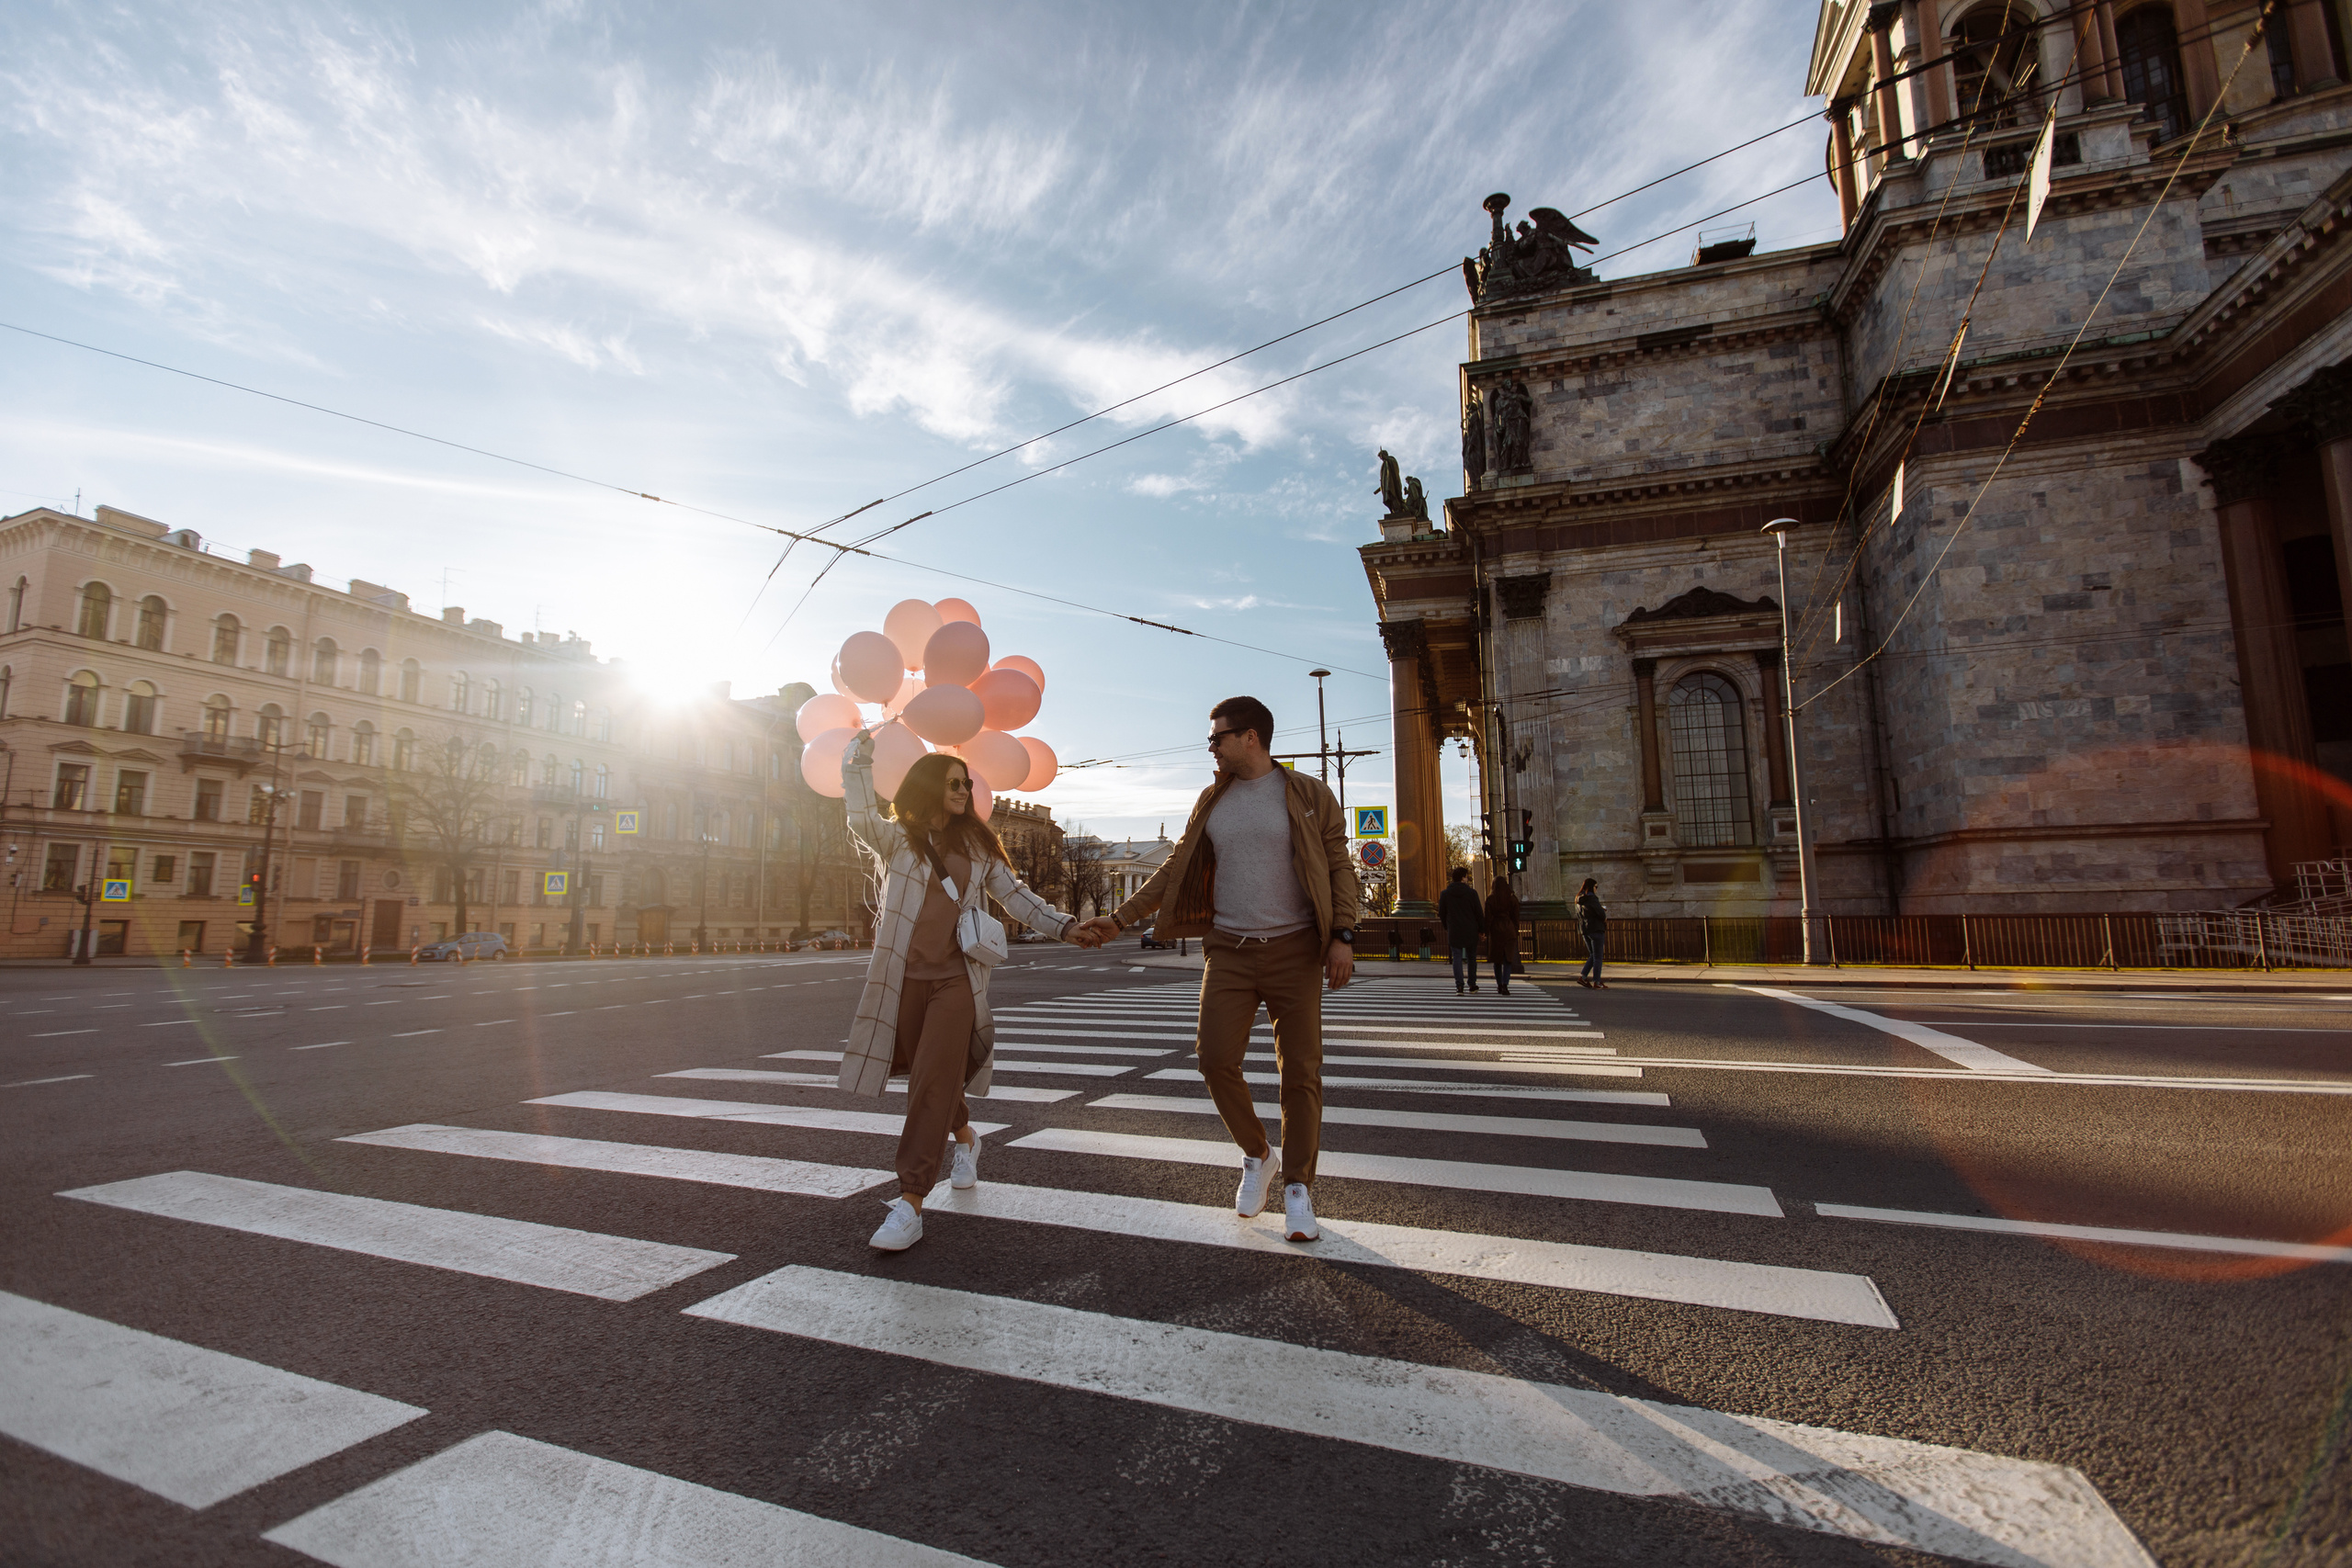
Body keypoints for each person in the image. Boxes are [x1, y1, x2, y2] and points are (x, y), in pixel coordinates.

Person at [1084, 696, 1359, 1244]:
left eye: (1218, 738)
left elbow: (1337, 864)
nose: (1212, 747)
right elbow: (1174, 868)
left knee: (1300, 1072)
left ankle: (1299, 1188)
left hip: (1296, 948)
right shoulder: (1212, 800)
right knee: (1213, 1059)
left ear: (1250, 737)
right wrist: (1121, 917)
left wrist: (1343, 936)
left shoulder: (1307, 794)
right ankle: (1259, 1153)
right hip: (1229, 950)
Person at [841, 737, 1101, 1252]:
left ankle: (911, 1202)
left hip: (957, 980)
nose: (964, 791)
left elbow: (1017, 898)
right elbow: (858, 814)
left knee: (931, 1084)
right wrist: (858, 762)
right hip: (903, 980)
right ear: (930, 786)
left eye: (968, 783)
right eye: (954, 783)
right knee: (926, 1079)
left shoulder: (978, 848)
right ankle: (966, 1137)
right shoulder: (898, 839)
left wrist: (1066, 926)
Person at [1437, 866, 1482, 994]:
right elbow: (1478, 912)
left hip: (1454, 929)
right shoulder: (1472, 893)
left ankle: (1459, 986)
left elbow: (1442, 913)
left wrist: (1447, 926)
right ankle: (1472, 984)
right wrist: (1482, 929)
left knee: (1457, 957)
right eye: (1467, 876)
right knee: (1471, 957)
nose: (1467, 879)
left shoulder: (1445, 894)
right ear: (1463, 877)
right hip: (1470, 929)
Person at [1484, 874, 1521, 996]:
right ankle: (1505, 984)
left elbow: (1488, 919)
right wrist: (1515, 931)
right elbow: (1516, 917)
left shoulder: (1491, 899)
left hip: (1496, 930)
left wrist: (1486, 932)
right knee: (1508, 960)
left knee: (1497, 960)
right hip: (1509, 930)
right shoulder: (1512, 898)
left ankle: (1499, 984)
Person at [1576, 875, 1607, 989]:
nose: (1596, 889)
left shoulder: (1579, 900)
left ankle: (1583, 977)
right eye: (1596, 886)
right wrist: (1603, 913)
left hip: (1585, 930)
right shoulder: (1592, 898)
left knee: (1593, 955)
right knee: (1598, 957)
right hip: (1596, 929)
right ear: (1591, 887)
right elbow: (1601, 914)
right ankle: (1597, 982)